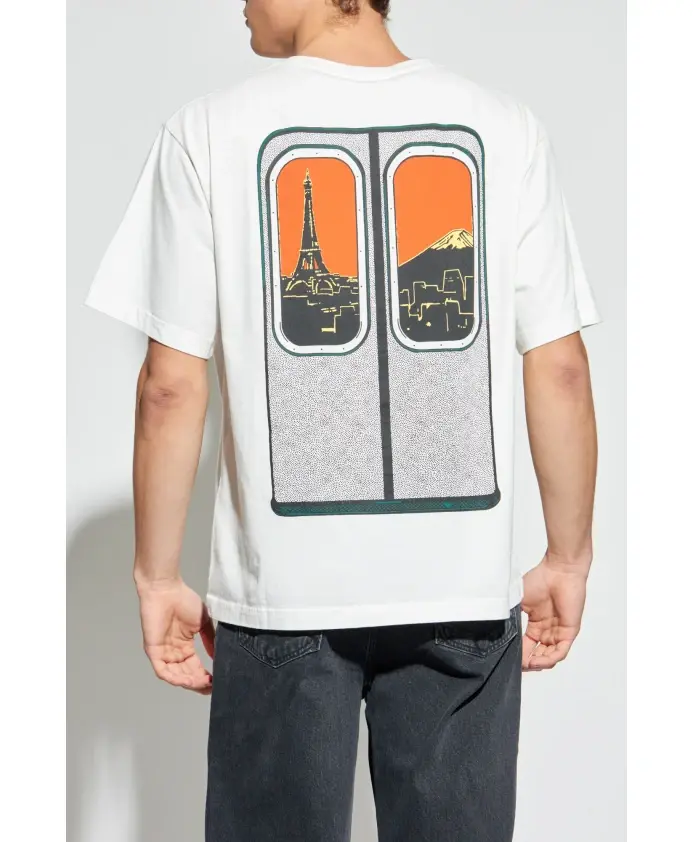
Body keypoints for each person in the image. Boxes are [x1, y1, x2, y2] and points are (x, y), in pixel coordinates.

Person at [86, 1, 600, 839]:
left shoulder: (207, 131)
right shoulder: (504, 126)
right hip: (461, 590)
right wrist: (567, 556)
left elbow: (169, 388)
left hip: (281, 596)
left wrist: (156, 577)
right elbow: (561, 367)